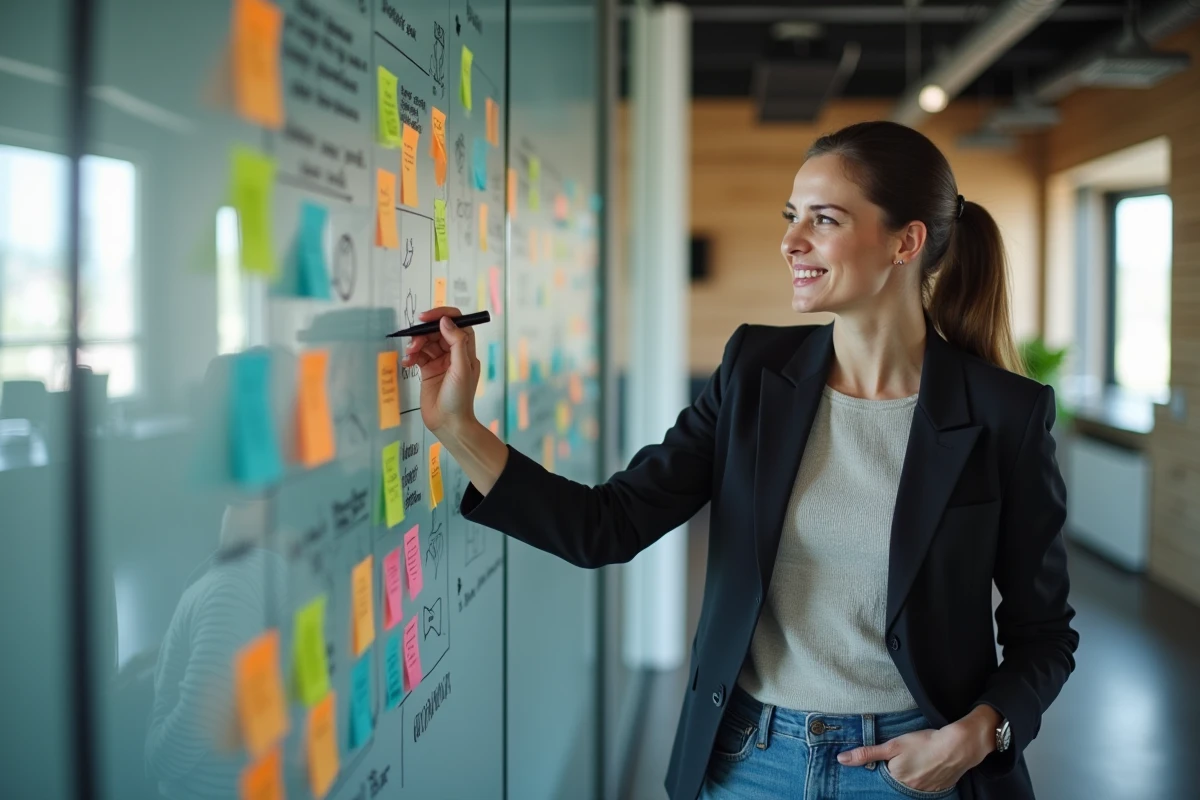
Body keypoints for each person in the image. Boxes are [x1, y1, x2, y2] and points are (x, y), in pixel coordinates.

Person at [402, 121, 1078, 800]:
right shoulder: (755, 372)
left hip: (916, 768)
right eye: (792, 217)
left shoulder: (1005, 414)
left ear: (905, 242)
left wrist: (983, 731)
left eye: (825, 219)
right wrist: (456, 424)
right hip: (748, 762)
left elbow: (1043, 632)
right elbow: (604, 525)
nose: (792, 241)